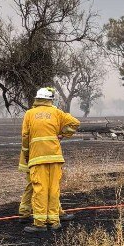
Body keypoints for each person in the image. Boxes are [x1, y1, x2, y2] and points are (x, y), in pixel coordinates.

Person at [20, 87, 80, 232]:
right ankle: (54, 222)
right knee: (54, 189)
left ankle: (40, 224)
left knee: (40, 189)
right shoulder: (56, 112)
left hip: (37, 158)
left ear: (37, 99)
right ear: (50, 100)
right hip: (55, 157)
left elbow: (25, 137)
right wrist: (63, 135)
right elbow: (75, 123)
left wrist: (27, 156)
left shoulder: (29, 114)